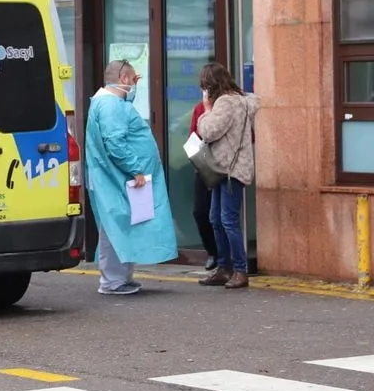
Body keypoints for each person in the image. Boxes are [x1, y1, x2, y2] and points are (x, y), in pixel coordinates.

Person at [84, 59, 179, 295]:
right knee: (115, 226)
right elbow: (115, 142)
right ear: (124, 79)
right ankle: (113, 281)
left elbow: (121, 121)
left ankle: (120, 278)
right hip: (116, 177)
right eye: (131, 79)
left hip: (113, 177)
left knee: (121, 224)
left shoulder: (109, 102)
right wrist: (135, 169)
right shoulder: (110, 105)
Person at [195, 63, 260, 290]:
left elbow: (209, 130)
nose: (203, 89)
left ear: (210, 84)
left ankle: (239, 270)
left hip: (229, 170)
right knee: (216, 219)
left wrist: (206, 109)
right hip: (227, 168)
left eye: (204, 85)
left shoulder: (225, 102)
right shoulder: (240, 100)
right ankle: (224, 267)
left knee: (228, 220)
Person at [190, 100, 218, 271]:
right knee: (200, 211)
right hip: (204, 166)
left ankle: (225, 257)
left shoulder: (226, 106)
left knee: (221, 216)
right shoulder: (199, 107)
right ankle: (212, 251)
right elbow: (193, 136)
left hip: (224, 165)